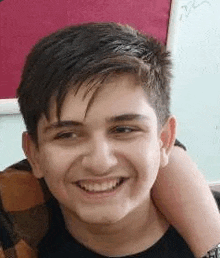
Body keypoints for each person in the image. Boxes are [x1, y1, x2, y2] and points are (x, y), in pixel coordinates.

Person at [7, 23, 220, 257]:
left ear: (165, 140)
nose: (101, 163)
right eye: (67, 135)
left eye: (124, 130)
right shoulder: (16, 234)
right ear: (33, 154)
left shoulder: (211, 232)